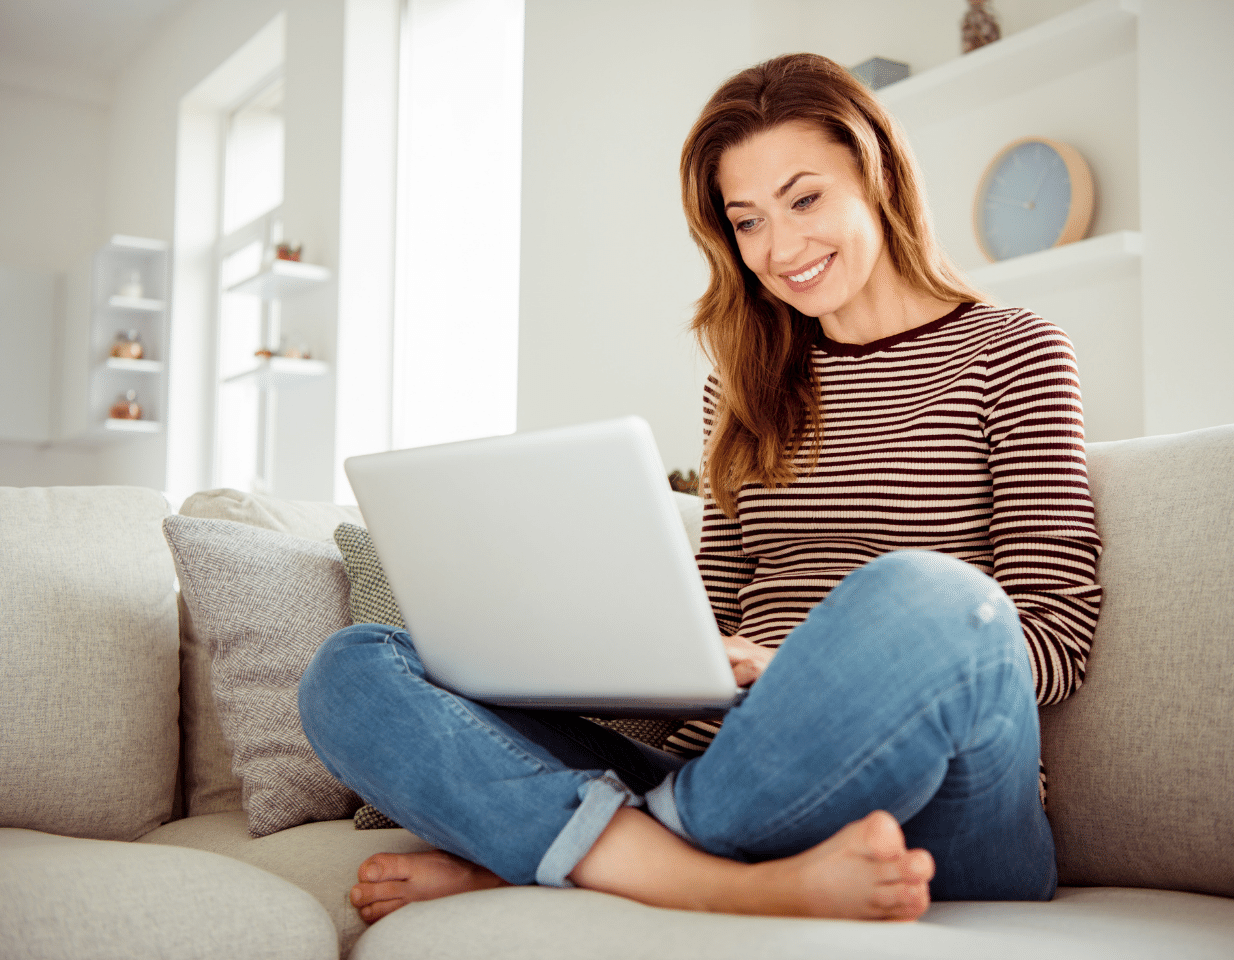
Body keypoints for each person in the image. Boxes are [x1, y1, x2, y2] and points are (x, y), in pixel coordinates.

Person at [298, 51, 1102, 925]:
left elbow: (1054, 639)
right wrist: (604, 652)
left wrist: (792, 669)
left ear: (878, 178)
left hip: (942, 806)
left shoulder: (1015, 351)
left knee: (935, 596)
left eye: (805, 199)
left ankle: (587, 856)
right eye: (747, 220)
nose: (781, 248)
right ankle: (725, 880)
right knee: (355, 666)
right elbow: (710, 617)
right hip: (723, 770)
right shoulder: (746, 382)